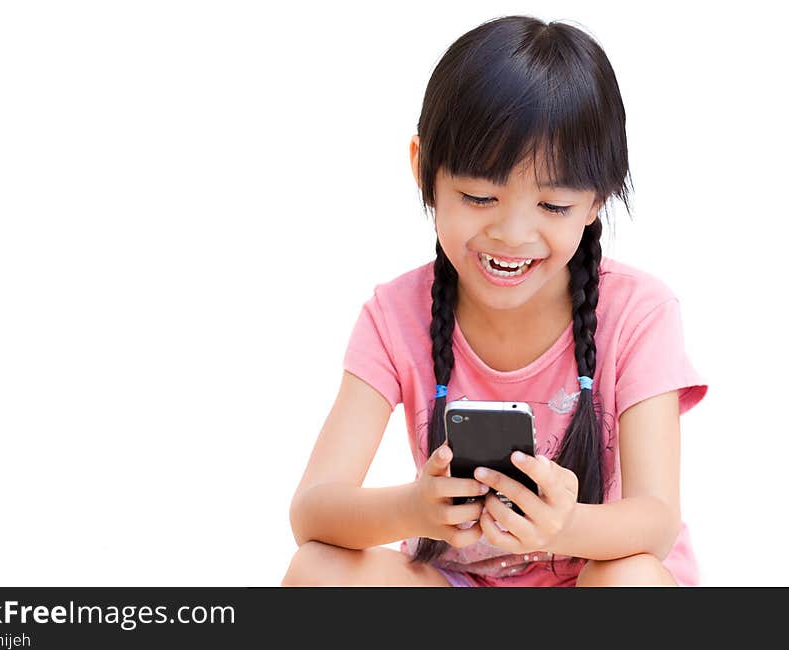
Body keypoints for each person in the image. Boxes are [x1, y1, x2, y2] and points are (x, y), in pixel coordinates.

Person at [282, 15, 708, 587]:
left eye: (553, 206)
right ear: (422, 170)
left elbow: (656, 523)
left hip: (592, 585)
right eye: (479, 196)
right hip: (456, 585)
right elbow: (313, 511)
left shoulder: (639, 313)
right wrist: (413, 508)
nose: (512, 233)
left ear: (596, 201)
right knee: (317, 571)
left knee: (632, 579)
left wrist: (563, 526)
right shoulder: (393, 315)